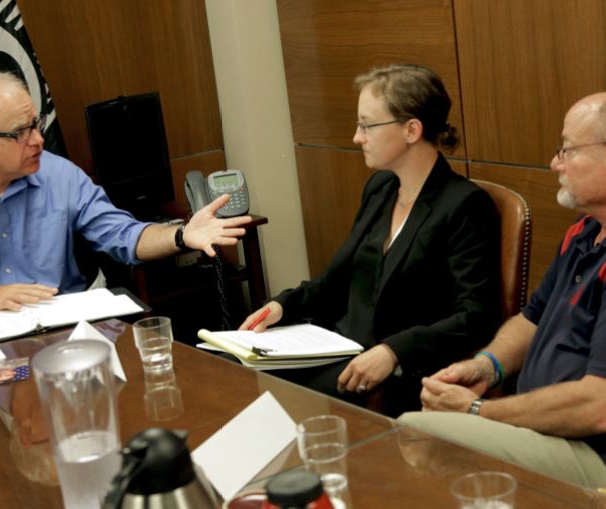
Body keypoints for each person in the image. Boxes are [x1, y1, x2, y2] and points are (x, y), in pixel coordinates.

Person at [0, 71, 250, 324]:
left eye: (36, 124)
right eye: (20, 132)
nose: (38, 140)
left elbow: (123, 236)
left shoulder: (58, 174)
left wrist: (182, 235)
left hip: (64, 337)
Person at [240, 64, 501, 416]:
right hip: (339, 347)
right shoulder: (380, 189)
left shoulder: (465, 205)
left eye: (367, 125)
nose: (356, 137)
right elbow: (336, 281)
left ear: (411, 129)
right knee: (230, 364)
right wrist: (283, 306)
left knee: (266, 399)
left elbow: (475, 315)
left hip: (401, 365)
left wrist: (393, 351)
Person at [398, 92, 606, 488]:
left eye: (567, 149)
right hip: (543, 428)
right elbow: (531, 321)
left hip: (593, 453)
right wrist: (486, 366)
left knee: (417, 431)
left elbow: (598, 407)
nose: (554, 163)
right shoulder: (582, 232)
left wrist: (477, 410)